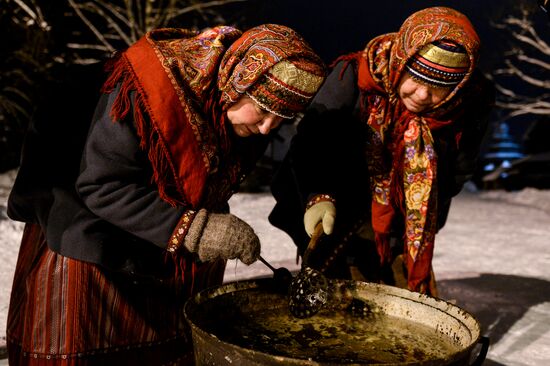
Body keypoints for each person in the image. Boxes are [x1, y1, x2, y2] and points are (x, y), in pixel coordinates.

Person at [6, 24, 326, 365]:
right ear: (239, 81)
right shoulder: (148, 91)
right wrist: (196, 230)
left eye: (280, 121)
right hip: (89, 232)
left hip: (158, 243)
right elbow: (100, 187)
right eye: (262, 112)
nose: (266, 128)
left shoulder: (233, 112)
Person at [269, 7, 495, 298]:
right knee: (334, 300)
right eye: (418, 79)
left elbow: (460, 164)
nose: (423, 95)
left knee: (405, 308)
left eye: (440, 88)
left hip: (405, 221)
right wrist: (318, 195)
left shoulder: (471, 100)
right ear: (401, 62)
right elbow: (312, 144)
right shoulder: (352, 76)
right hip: (334, 203)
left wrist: (423, 208)